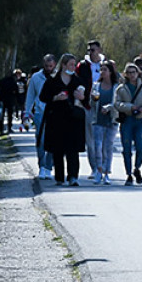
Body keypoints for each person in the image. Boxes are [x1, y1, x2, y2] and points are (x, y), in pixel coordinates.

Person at [40, 53, 87, 186]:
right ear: (63, 65)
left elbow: (87, 99)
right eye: (71, 64)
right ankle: (59, 177)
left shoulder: (77, 80)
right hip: (56, 119)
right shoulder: (52, 80)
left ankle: (73, 177)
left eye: (74, 64)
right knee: (58, 149)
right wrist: (55, 98)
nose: (73, 67)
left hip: (73, 119)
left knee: (73, 149)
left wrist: (82, 97)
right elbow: (43, 97)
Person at [114, 62, 142, 185]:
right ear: (125, 74)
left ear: (138, 73)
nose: (132, 75)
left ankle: (137, 168)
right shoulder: (121, 88)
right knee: (126, 148)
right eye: (129, 73)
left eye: (134, 72)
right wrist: (130, 107)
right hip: (127, 120)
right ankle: (128, 174)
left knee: (141, 147)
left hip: (140, 120)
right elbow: (117, 104)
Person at [76, 39, 106, 180]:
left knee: (104, 139)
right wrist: (82, 100)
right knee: (91, 140)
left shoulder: (106, 65)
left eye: (93, 49)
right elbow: (77, 83)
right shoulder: (82, 66)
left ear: (99, 50)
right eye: (89, 50)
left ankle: (104, 167)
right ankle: (94, 168)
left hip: (104, 107)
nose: (90, 52)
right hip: (88, 106)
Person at [25, 54, 57, 179]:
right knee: (41, 140)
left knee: (53, 141)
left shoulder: (58, 76)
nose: (48, 68)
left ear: (54, 65)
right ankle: (42, 166)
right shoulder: (36, 77)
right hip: (40, 112)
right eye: (46, 65)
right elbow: (30, 95)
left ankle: (49, 166)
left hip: (54, 112)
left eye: (51, 66)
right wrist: (26, 112)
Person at [90, 61, 120, 185]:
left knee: (108, 147)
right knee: (97, 146)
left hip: (112, 120)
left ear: (111, 72)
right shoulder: (96, 86)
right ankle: (98, 171)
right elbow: (91, 103)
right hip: (98, 119)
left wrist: (109, 107)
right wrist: (92, 99)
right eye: (101, 70)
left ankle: (107, 172)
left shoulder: (116, 87)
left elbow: (119, 103)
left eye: (105, 70)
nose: (102, 72)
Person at [0, 69, 20, 134]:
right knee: (10, 114)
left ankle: (1, 128)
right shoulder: (13, 82)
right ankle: (9, 128)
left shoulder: (2, 81)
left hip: (2, 99)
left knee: (2, 114)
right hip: (10, 100)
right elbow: (16, 91)